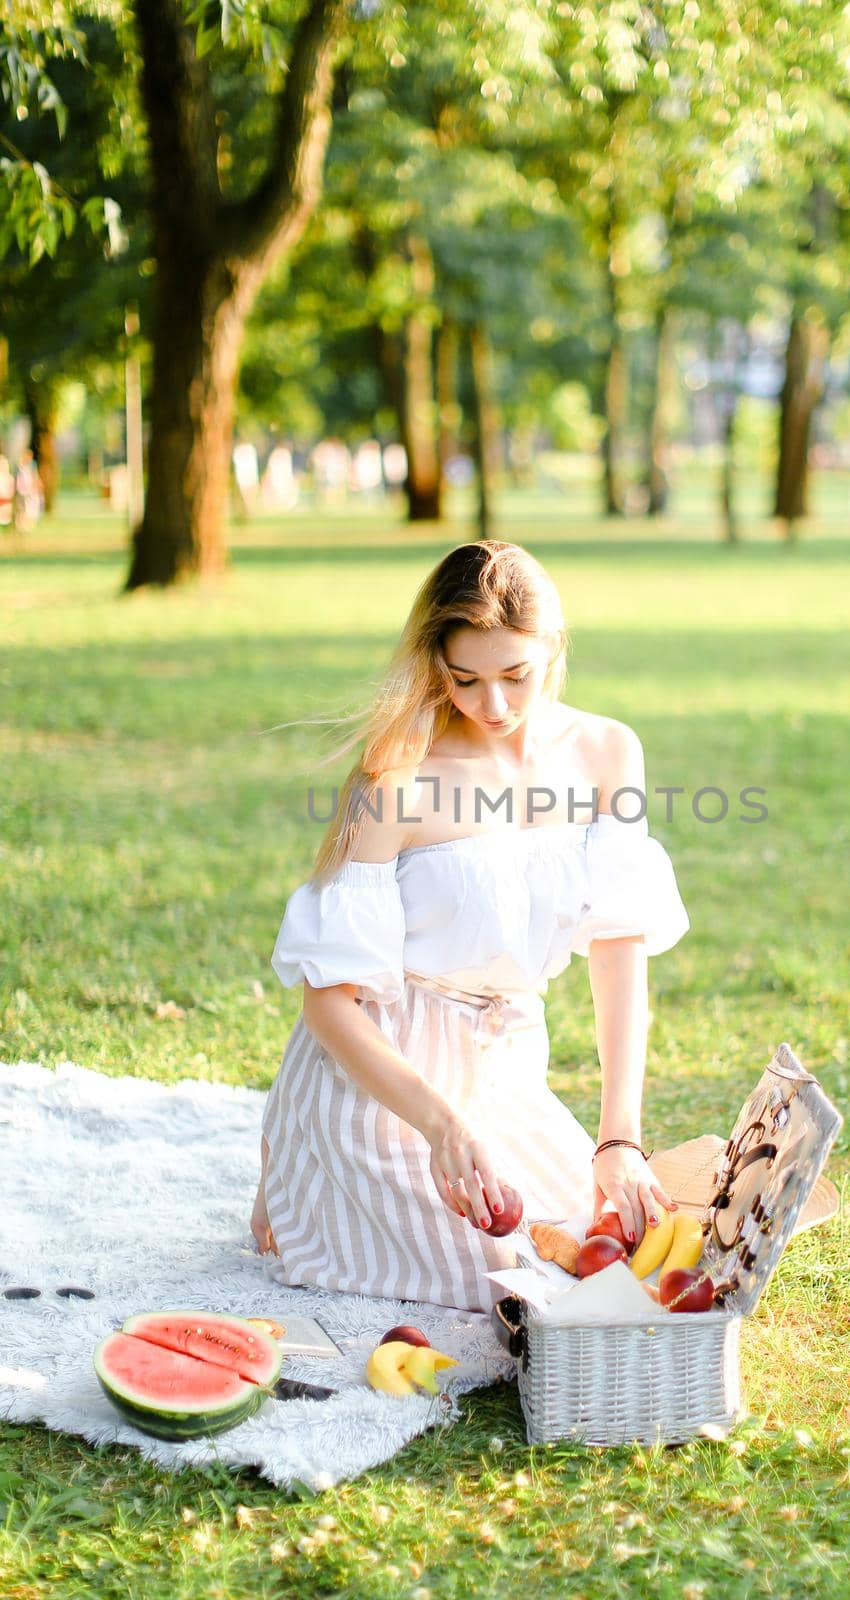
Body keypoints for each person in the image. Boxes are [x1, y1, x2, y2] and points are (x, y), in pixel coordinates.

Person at [251, 540, 690, 1313]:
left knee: (600, 1243)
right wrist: (443, 1128)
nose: (491, 705)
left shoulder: (606, 752)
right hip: (385, 1084)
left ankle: (305, 1192)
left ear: (551, 648)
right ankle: (302, 1178)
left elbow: (619, 952)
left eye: (514, 676)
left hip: (503, 1065)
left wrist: (617, 1139)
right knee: (508, 1281)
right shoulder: (400, 771)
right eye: (466, 680)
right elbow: (329, 1004)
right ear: (436, 663)